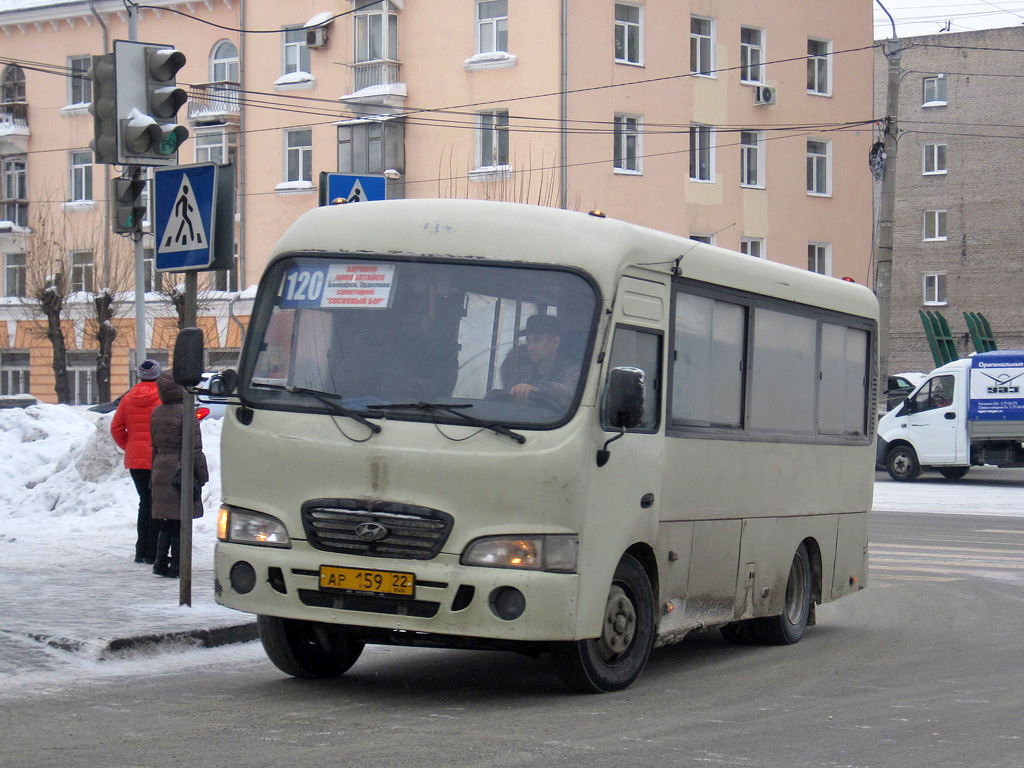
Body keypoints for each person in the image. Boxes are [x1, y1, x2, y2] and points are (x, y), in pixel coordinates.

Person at [150, 370, 209, 578]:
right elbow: (194, 449)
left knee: (168, 518)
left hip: (160, 469)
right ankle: (177, 564)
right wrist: (202, 475)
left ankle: (160, 561)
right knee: (180, 519)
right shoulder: (186, 413)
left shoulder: (156, 413)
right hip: (180, 470)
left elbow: (154, 447)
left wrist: (153, 474)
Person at [110, 359, 163, 564]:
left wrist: (130, 446)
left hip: (135, 460)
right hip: (157, 458)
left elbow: (116, 428)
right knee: (156, 504)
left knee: (145, 502)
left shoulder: (128, 398)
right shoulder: (161, 397)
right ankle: (152, 552)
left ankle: (141, 550)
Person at [501, 313, 577, 410]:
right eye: (528, 340)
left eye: (537, 340)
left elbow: (570, 395)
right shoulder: (520, 375)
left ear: (555, 342)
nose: (530, 347)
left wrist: (537, 390)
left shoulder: (572, 372)